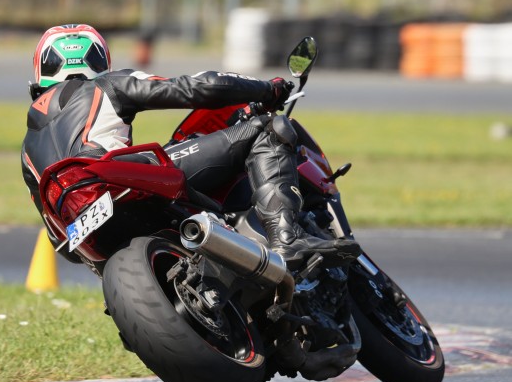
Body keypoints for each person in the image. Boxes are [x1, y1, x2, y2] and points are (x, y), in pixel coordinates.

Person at [21, 23, 360, 268]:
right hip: (118, 179)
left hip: (84, 229)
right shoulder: (109, 85)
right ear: (98, 61)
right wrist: (265, 89)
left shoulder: (27, 149)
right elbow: (199, 87)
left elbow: (60, 244)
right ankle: (287, 238)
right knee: (269, 128)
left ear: (40, 72)